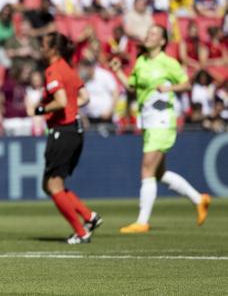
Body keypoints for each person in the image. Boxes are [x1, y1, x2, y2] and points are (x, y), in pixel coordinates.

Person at [110, 25, 211, 234]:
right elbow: (131, 87)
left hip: (162, 119)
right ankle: (199, 199)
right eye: (148, 33)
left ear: (163, 41)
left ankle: (142, 221)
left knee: (146, 169)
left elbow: (186, 84)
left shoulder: (168, 62)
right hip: (147, 120)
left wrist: (169, 87)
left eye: (153, 34)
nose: (148, 36)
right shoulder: (141, 61)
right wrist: (118, 70)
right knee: (158, 173)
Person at [33, 32, 101, 244]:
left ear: (53, 49)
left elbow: (61, 101)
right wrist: (70, 105)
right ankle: (89, 216)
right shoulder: (68, 68)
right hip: (74, 130)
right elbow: (84, 97)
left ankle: (81, 232)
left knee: (53, 186)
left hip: (63, 131)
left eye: (43, 45)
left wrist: (42, 108)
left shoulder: (53, 71)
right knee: (51, 184)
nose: (41, 49)